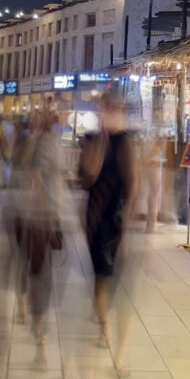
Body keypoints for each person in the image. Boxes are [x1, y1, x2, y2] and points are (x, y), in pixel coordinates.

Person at [79, 92, 137, 357]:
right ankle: (104, 325)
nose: (110, 111)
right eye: (106, 107)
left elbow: (132, 180)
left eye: (115, 108)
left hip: (114, 215)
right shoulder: (91, 139)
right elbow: (87, 178)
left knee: (110, 275)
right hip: (94, 216)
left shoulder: (125, 141)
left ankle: (104, 319)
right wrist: (99, 145)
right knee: (101, 274)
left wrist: (128, 211)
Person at [14, 110, 63, 370]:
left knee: (37, 271)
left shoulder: (52, 145)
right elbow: (21, 167)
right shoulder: (28, 141)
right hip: (30, 214)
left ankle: (39, 338)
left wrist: (58, 216)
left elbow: (52, 181)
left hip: (41, 216)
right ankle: (28, 312)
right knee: (32, 268)